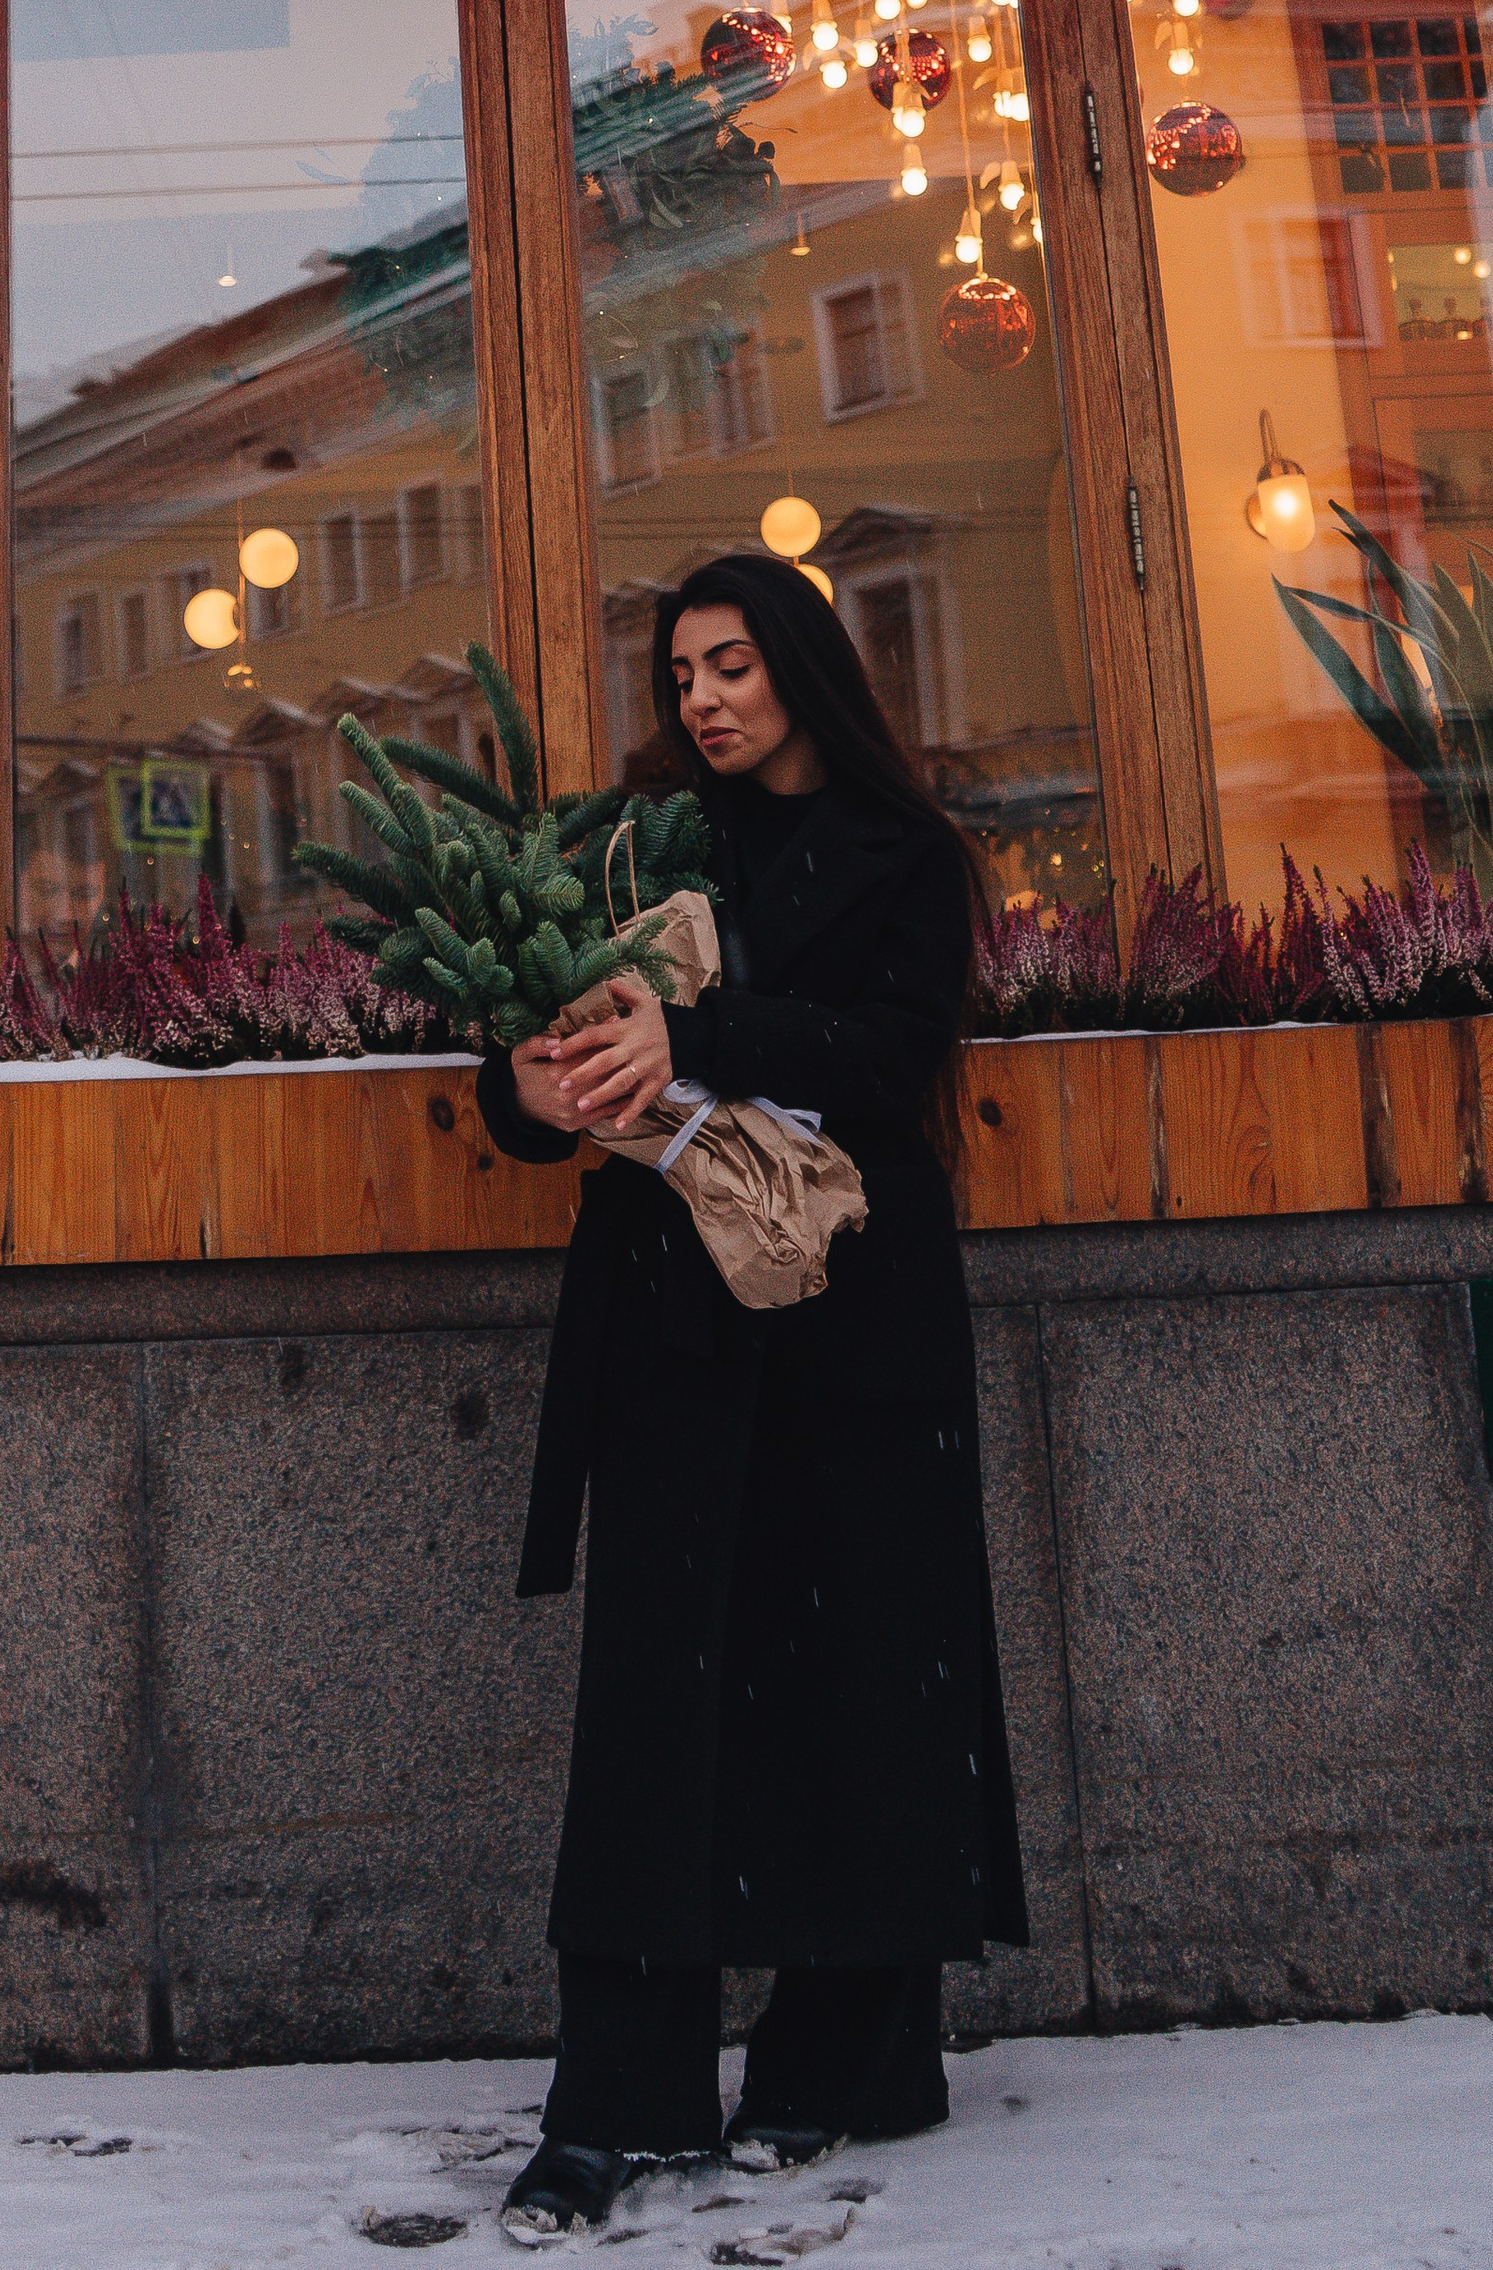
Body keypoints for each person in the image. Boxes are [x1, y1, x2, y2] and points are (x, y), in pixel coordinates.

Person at [476, 551, 1026, 2242]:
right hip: (676, 1330)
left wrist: (699, 1022)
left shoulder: (910, 857)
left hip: (851, 1322)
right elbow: (526, 1073)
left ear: (799, 665)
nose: (701, 699)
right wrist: (526, 1083)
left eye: (730, 665)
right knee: (655, 1703)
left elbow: (888, 1055)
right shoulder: (640, 850)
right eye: (681, 674)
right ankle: (614, 2094)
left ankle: (847, 2052)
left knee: (862, 1675)